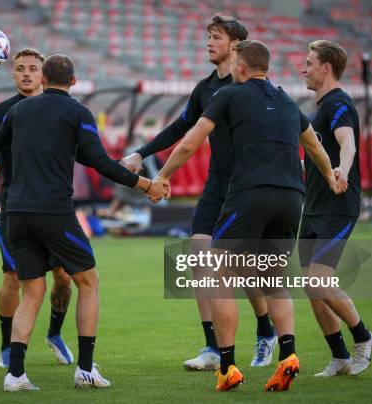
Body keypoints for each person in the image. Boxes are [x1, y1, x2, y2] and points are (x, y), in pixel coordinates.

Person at [149, 40, 343, 392]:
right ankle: (288, 355)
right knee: (273, 281)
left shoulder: (228, 95)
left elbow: (190, 142)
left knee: (219, 274)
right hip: (291, 196)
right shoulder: (286, 100)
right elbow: (314, 145)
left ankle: (226, 366)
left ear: (239, 67)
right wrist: (330, 175)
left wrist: (163, 175)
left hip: (250, 194)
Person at [0, 54, 167, 391]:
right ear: (74, 82)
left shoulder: (18, 111)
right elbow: (98, 161)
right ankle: (85, 369)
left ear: (43, 78)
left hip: (16, 214)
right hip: (53, 212)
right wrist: (145, 184)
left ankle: (16, 374)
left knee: (32, 290)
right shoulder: (78, 112)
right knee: (88, 282)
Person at [121, 14, 277, 370]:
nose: (209, 43)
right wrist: (140, 153)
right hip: (217, 184)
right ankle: (212, 347)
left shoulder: (254, 88)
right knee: (199, 257)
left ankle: (265, 331)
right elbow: (181, 127)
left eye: (216, 37)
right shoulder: (206, 88)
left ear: (236, 46)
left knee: (244, 268)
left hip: (248, 187)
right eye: (208, 36)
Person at [0, 48, 76, 369]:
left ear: (44, 75)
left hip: (55, 206)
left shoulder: (62, 109)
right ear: (12, 73)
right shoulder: (2, 113)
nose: (26, 73)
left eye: (32, 68)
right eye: (20, 68)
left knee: (64, 277)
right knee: (13, 276)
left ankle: (54, 333)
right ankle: (8, 346)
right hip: (16, 206)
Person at [299, 39, 372, 377]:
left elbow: (347, 142)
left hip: (338, 207)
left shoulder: (338, 103)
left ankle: (364, 337)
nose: (304, 68)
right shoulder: (319, 108)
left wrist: (343, 168)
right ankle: (340, 357)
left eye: (309, 62)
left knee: (319, 281)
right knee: (310, 286)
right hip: (313, 207)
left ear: (325, 68)